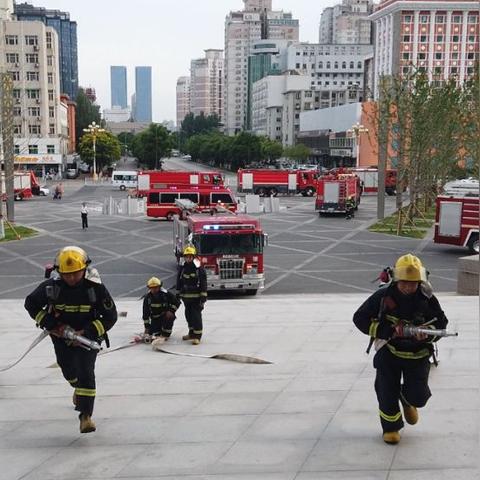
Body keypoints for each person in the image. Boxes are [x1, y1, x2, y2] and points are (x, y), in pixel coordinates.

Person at [353, 254, 448, 445]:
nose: (408, 287)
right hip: (389, 351)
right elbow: (359, 318)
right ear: (396, 279)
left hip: (418, 353)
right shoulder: (383, 296)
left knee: (419, 396)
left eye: (413, 283)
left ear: (420, 281)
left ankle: (407, 400)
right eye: (404, 282)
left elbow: (442, 323)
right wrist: (387, 331)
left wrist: (427, 333)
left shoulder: (427, 298)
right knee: (386, 391)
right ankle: (391, 428)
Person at [24, 246, 117, 434]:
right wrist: (53, 326)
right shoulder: (52, 287)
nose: (72, 278)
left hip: (88, 338)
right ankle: (76, 387)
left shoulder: (95, 288)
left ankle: (85, 417)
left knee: (86, 372)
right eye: (67, 274)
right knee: (68, 369)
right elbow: (31, 304)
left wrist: (87, 333)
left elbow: (110, 316)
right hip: (61, 336)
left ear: (85, 269)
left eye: (76, 273)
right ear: (59, 272)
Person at [176, 245, 207, 345]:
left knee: (196, 316)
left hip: (196, 298)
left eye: (190, 256)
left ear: (193, 257)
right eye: (187, 256)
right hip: (186, 297)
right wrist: (178, 292)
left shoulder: (198, 268)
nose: (188, 258)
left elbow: (203, 282)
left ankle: (197, 336)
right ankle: (191, 333)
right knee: (188, 316)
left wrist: (203, 296)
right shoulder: (183, 267)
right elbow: (179, 280)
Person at [142, 276, 180, 341]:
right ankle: (158, 331)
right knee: (154, 334)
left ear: (159, 287)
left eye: (155, 287)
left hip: (165, 317)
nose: (154, 290)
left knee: (169, 318)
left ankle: (166, 333)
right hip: (155, 318)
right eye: (152, 288)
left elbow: (177, 302)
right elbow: (146, 313)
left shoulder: (166, 294)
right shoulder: (147, 298)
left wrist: (171, 311)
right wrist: (147, 327)